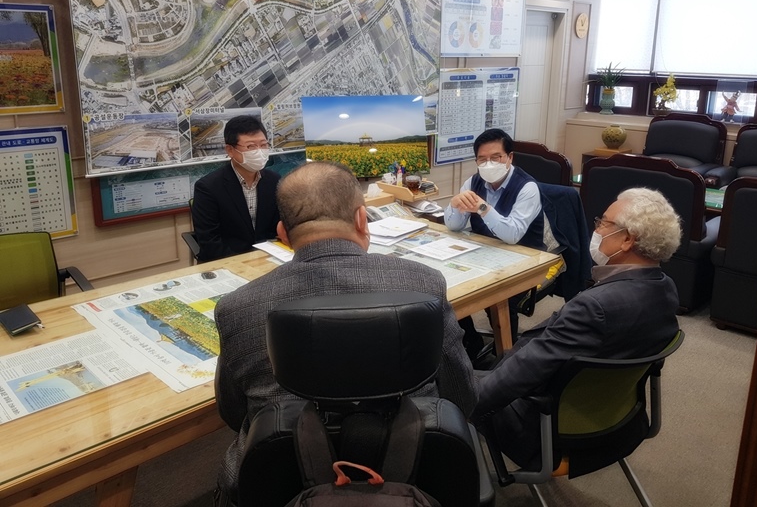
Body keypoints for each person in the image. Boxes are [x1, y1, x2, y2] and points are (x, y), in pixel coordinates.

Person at [213, 161, 477, 506]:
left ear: (282, 234)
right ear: (362, 220)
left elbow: (234, 413)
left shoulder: (236, 307)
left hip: (282, 476)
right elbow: (460, 395)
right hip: (417, 469)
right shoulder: (424, 283)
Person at [471, 187, 681, 470]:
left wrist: (463, 397)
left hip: (546, 429)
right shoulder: (666, 288)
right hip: (619, 422)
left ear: (628, 239)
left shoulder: (595, 307)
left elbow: (521, 374)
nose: (596, 229)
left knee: (449, 381)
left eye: (603, 222)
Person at [443, 128, 544, 349]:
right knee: (446, 287)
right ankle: (470, 342)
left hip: (523, 258)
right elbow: (454, 226)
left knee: (500, 299)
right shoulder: (473, 182)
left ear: (510, 157)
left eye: (496, 157)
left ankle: (508, 351)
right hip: (484, 253)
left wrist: (483, 208)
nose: (488, 164)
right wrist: (454, 205)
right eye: (482, 159)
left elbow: (512, 235)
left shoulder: (528, 188)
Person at [191, 115, 280, 262]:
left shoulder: (274, 180)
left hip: (268, 259)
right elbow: (210, 242)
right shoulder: (208, 187)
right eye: (251, 146)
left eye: (263, 145)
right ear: (230, 150)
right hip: (228, 261)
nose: (259, 152)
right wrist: (245, 264)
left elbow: (278, 227)